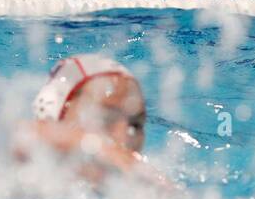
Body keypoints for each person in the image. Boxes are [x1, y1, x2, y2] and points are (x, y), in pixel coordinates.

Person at [14, 54, 160, 185]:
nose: (124, 138)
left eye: (135, 125)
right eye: (105, 118)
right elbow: (14, 135)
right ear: (56, 113)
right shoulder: (15, 175)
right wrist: (99, 148)